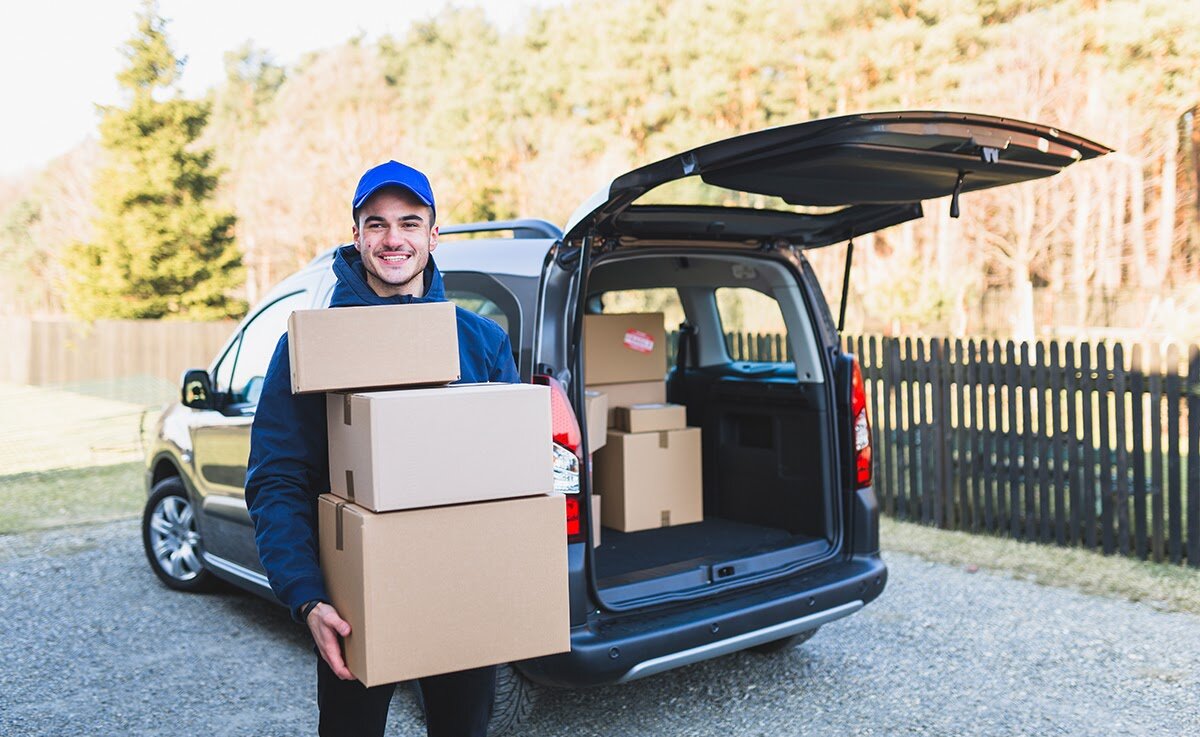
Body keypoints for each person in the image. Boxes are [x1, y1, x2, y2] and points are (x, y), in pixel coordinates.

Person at [245, 160, 520, 737]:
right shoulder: (310, 346)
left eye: (410, 223)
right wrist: (305, 596)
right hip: (353, 601)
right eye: (377, 224)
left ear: (433, 234)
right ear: (356, 235)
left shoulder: (481, 340)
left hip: (459, 588)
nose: (393, 239)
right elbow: (277, 479)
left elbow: (508, 480)